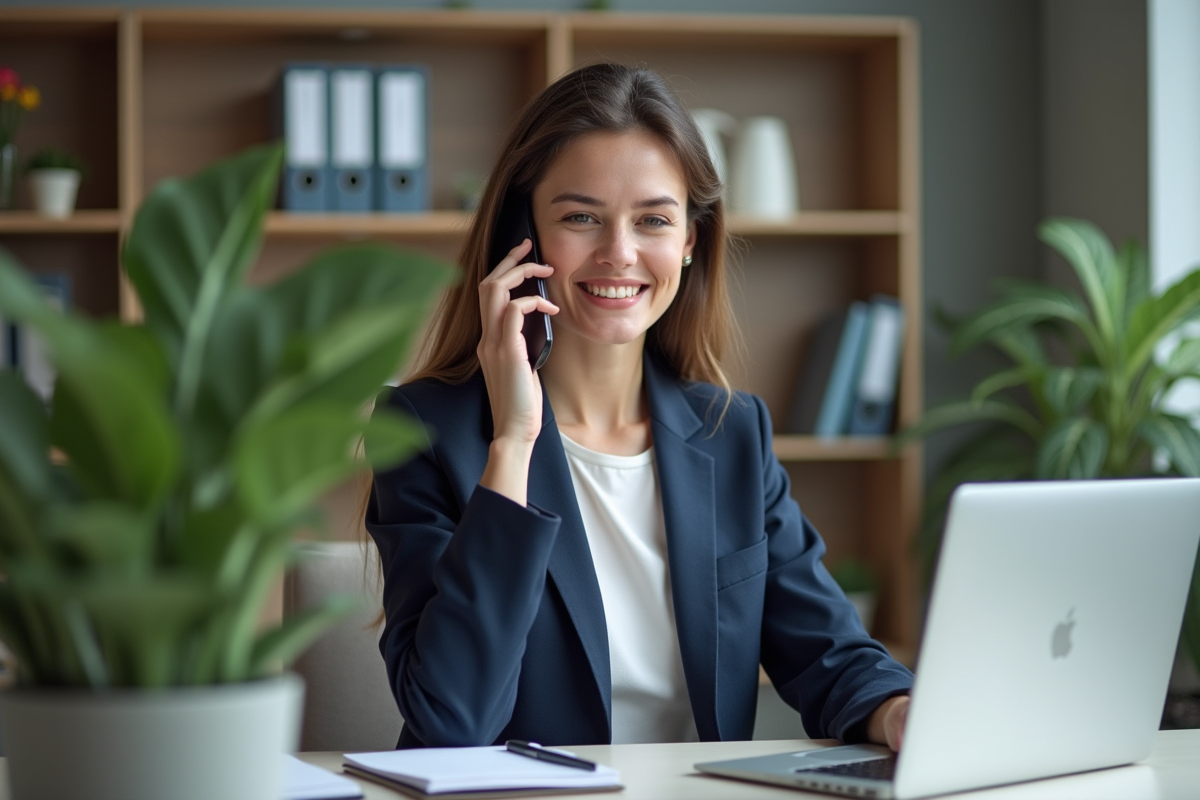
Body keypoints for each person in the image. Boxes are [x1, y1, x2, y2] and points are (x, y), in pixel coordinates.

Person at [365, 62, 913, 750]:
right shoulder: (428, 432)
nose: (619, 254)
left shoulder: (731, 433)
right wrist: (512, 441)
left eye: (653, 219)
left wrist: (898, 711)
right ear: (524, 238)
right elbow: (452, 722)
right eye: (581, 217)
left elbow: (830, 653)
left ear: (688, 243)